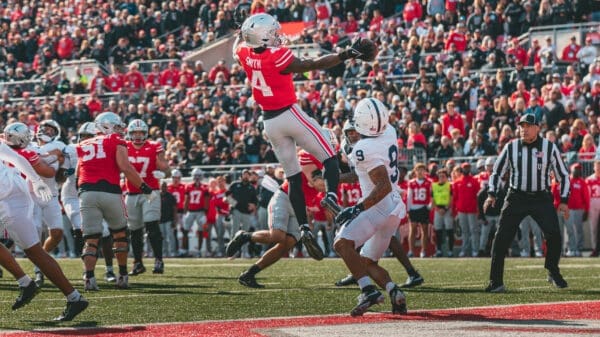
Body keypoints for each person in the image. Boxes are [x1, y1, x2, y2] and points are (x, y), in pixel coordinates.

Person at [235, 13, 372, 259]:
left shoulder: (244, 53)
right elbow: (313, 65)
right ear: (263, 37)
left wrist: (242, 30)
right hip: (289, 113)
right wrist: (346, 54)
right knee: (330, 154)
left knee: (294, 178)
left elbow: (239, 45)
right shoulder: (277, 57)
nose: (278, 37)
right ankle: (330, 196)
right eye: (274, 34)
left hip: (269, 122)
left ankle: (303, 227)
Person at [332, 98, 407, 316]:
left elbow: (381, 185)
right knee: (366, 261)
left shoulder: (363, 148)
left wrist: (357, 208)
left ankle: (368, 291)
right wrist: (338, 179)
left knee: (342, 243)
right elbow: (365, 173)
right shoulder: (389, 131)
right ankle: (394, 292)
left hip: (378, 205)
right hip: (394, 207)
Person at [0, 136, 88, 321]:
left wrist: (36, 180)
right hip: (7, 195)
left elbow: (16, 158)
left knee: (34, 251)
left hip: (12, 198)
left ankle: (74, 298)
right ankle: (26, 283)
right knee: (33, 251)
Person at [484, 113, 570, 292]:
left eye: (528, 126)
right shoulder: (511, 147)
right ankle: (495, 281)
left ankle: (552, 270)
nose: (524, 129)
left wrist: (564, 200)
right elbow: (497, 172)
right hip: (516, 196)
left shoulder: (549, 147)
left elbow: (563, 175)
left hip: (541, 197)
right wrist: (491, 194)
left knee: (554, 235)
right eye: (521, 126)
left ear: (537, 128)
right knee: (501, 239)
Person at [77, 112, 153, 290]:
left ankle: (89, 278)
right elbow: (125, 167)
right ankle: (123, 275)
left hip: (86, 191)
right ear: (106, 126)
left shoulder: (83, 144)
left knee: (91, 240)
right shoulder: (116, 141)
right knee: (120, 235)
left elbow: (77, 174)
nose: (120, 130)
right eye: (117, 126)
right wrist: (144, 188)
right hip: (109, 191)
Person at [225, 168, 325, 288]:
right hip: (284, 198)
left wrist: (308, 222)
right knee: (277, 236)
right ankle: (245, 236)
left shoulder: (329, 167)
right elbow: (286, 165)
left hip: (300, 208)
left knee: (286, 244)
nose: (326, 185)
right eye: (324, 181)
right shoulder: (310, 161)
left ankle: (249, 274)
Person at [4, 122, 59, 287]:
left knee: (15, 240)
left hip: (8, 197)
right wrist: (54, 156)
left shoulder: (5, 148)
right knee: (31, 245)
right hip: (20, 197)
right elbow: (49, 171)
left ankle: (26, 278)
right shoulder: (28, 152)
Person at [69, 122, 117, 283]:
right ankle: (89, 272)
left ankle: (108, 269)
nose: (85, 140)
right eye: (83, 136)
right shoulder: (71, 149)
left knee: (104, 233)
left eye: (89, 137)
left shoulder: (102, 150)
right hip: (75, 195)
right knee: (88, 233)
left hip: (92, 193)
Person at [124, 119, 169, 275]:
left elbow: (166, 169)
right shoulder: (124, 146)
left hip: (150, 192)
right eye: (134, 133)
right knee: (134, 230)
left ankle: (158, 260)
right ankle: (138, 263)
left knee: (152, 226)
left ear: (146, 133)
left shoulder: (154, 146)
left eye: (140, 133)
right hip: (131, 192)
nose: (137, 136)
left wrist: (162, 172)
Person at [182, 168, 211, 257]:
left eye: (198, 176)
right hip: (190, 211)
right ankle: (185, 250)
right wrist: (185, 211)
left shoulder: (205, 187)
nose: (197, 178)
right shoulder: (189, 186)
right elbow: (186, 200)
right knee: (185, 231)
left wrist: (205, 212)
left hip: (200, 211)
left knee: (201, 231)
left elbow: (206, 200)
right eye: (195, 176)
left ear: (201, 176)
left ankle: (199, 249)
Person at [407, 163, 432, 258]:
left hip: (424, 208)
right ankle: (410, 251)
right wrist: (408, 210)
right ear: (415, 171)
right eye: (418, 170)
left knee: (424, 230)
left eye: (422, 170)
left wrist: (429, 206)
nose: (421, 172)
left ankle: (423, 251)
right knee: (412, 229)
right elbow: (409, 197)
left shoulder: (429, 182)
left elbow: (431, 196)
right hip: (413, 208)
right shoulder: (411, 182)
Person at [432, 168, 454, 257]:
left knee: (449, 230)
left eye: (443, 176)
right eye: (440, 176)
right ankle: (439, 250)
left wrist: (445, 208)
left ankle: (450, 250)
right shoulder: (434, 186)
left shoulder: (450, 185)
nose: (441, 178)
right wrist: (438, 209)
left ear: (446, 177)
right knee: (438, 231)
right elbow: (432, 199)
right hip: (438, 210)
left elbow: (452, 198)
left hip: (447, 209)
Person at [159, 181, 178, 258]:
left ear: (167, 187)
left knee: (170, 236)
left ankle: (172, 252)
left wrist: (174, 220)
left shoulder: (171, 196)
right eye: (162, 186)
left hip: (169, 219)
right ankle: (164, 252)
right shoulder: (157, 196)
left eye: (165, 186)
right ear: (160, 187)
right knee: (162, 237)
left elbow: (174, 209)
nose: (164, 188)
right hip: (160, 220)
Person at [586, 160, 600, 257]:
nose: (598, 168)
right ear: (594, 167)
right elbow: (587, 194)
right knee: (594, 227)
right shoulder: (589, 179)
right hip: (592, 202)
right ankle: (595, 248)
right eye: (597, 166)